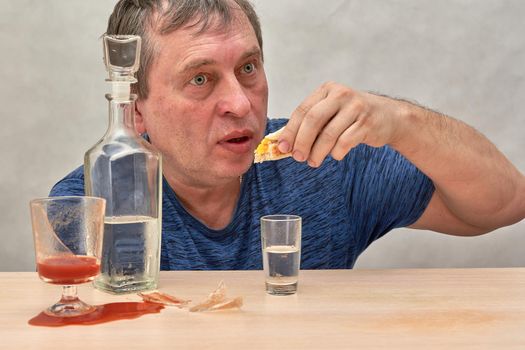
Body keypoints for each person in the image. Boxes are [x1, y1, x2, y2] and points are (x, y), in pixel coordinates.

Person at [51, 0, 525, 270]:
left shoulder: (320, 161)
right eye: (200, 78)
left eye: (248, 68)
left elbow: (505, 203)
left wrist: (401, 122)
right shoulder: (93, 206)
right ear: (136, 112)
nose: (240, 102)